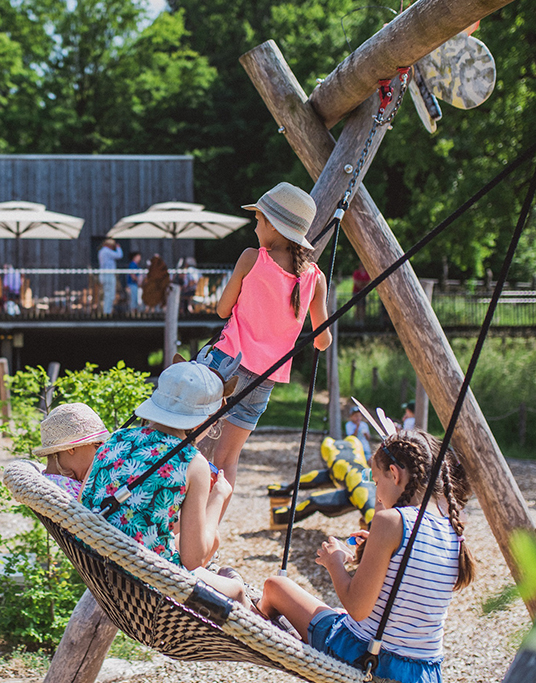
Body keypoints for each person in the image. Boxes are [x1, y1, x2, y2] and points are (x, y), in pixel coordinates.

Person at [256, 430, 476, 683]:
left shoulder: (390, 521)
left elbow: (358, 608)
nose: (376, 493)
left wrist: (334, 562)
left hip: (367, 658)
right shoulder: (453, 524)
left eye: (376, 480)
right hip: (423, 672)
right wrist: (378, 546)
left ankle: (260, 634)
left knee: (276, 586)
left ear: (394, 474)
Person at [79, 356, 250, 607]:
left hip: (95, 561)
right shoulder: (192, 462)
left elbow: (87, 498)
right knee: (236, 590)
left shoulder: (117, 437)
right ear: (203, 419)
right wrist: (218, 497)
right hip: (150, 581)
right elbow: (193, 560)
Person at [199, 182, 332, 501]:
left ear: (273, 224)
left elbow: (222, 310)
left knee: (196, 449)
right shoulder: (315, 278)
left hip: (225, 364)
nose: (256, 226)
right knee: (227, 460)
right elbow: (322, 341)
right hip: (265, 379)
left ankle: (181, 527)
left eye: (258, 219)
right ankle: (210, 530)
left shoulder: (251, 258)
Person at [34, 403, 109, 500]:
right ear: (72, 448)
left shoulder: (59, 481)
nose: (102, 452)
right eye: (97, 446)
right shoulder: (61, 491)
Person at [98, 238, 123, 315]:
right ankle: (107, 311)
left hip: (105, 274)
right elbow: (119, 255)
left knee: (108, 293)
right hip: (108, 275)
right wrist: (118, 247)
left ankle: (107, 310)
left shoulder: (102, 251)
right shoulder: (106, 251)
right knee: (109, 294)